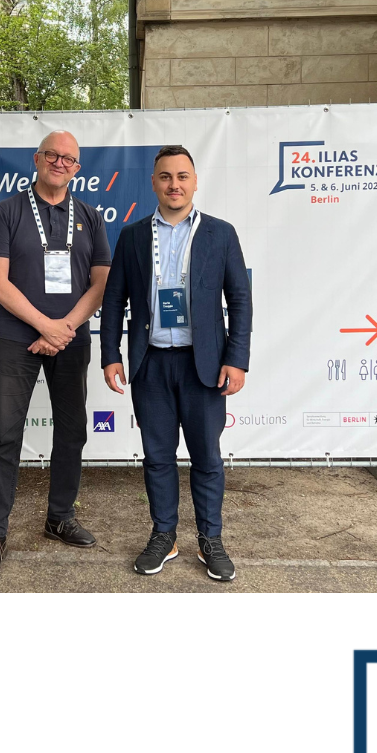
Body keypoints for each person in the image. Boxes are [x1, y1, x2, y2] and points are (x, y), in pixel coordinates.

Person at [100, 144, 251, 582]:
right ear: (154, 183)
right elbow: (114, 300)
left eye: (182, 176)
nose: (174, 185)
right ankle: (164, 535)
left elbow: (240, 300)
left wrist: (236, 359)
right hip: (151, 365)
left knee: (207, 458)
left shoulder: (220, 234)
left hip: (204, 367)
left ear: (195, 182)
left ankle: (210, 539)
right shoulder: (132, 236)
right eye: (165, 176)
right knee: (157, 458)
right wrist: (110, 355)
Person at [0, 130, 111, 578]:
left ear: (77, 168)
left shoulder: (90, 217)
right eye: (52, 154)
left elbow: (101, 284)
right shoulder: (7, 212)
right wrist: (44, 325)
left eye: (68, 158)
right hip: (19, 339)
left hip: (70, 340)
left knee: (71, 432)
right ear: (37, 159)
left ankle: (60, 518)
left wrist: (62, 328)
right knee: (4, 434)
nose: (59, 162)